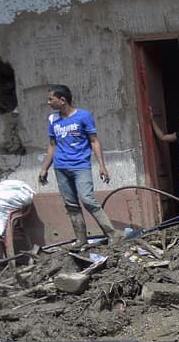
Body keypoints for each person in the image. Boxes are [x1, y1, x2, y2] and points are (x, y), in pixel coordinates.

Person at [37, 85, 123, 247]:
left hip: (80, 166)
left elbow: (94, 141)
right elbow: (52, 145)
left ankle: (112, 234)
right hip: (61, 167)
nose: (48, 102)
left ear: (62, 100)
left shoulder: (84, 116)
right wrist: (44, 168)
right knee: (71, 204)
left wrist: (102, 166)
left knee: (87, 199)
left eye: (50, 99)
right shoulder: (52, 119)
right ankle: (81, 239)